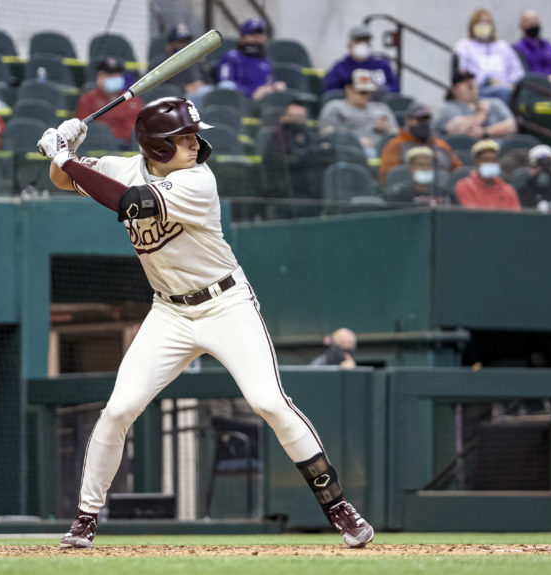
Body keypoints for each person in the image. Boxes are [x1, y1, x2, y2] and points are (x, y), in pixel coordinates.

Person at [37, 97, 374, 549]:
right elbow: (66, 180)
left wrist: (63, 157)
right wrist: (66, 152)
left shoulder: (197, 181)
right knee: (118, 409)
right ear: (156, 147)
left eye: (194, 136)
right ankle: (85, 518)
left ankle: (339, 508)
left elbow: (131, 203)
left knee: (269, 402)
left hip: (226, 305)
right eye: (184, 138)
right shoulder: (122, 168)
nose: (196, 144)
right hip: (169, 313)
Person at [261, 101, 333, 208]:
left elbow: (326, 154)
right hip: (286, 196)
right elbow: (289, 159)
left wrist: (306, 156)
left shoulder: (311, 137)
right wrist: (311, 155)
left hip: (314, 195)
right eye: (292, 116)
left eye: (299, 117)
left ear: (306, 120)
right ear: (284, 117)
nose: (295, 121)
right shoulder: (277, 138)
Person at [318, 68, 398, 157]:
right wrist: (356, 141)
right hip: (349, 154)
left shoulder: (382, 108)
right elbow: (327, 136)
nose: (366, 95)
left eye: (369, 91)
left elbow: (397, 135)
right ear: (348, 89)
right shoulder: (335, 107)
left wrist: (388, 129)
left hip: (383, 153)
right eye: (362, 91)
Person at [452, 8, 524, 106]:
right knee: (505, 92)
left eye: (487, 22)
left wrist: (507, 83)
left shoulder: (503, 46)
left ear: (492, 26)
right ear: (472, 26)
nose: (483, 26)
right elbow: (462, 71)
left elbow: (518, 71)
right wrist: (489, 81)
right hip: (479, 90)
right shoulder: (464, 45)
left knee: (512, 92)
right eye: (479, 23)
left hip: (506, 87)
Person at [379, 102, 462, 183]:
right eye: (419, 119)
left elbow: (458, 172)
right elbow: (387, 176)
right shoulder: (396, 144)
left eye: (426, 119)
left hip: (440, 191)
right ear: (408, 120)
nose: (423, 123)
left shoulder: (441, 145)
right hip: (408, 192)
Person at [76, 57, 143, 148]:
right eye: (109, 75)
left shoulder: (133, 99)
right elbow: (83, 131)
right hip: (100, 150)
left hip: (130, 150)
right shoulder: (88, 99)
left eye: (117, 74)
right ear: (99, 77)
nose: (115, 77)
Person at [216, 19, 286, 101]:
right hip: (239, 100)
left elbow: (269, 83)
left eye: (260, 34)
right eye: (252, 34)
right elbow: (225, 82)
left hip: (262, 101)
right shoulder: (231, 56)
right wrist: (252, 93)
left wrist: (274, 87)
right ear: (242, 38)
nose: (256, 38)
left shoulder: (266, 61)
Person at [434, 71, 517, 139]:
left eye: (472, 81)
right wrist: (481, 114)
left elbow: (512, 125)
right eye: (464, 83)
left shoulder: (494, 103)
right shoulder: (448, 107)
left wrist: (485, 131)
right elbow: (458, 128)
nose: (471, 86)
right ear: (454, 89)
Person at [322, 25, 401, 95]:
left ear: (370, 44)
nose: (362, 44)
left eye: (366, 41)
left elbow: (395, 89)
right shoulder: (340, 67)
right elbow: (330, 92)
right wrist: (351, 89)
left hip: (379, 106)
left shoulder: (382, 65)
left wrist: (380, 90)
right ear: (350, 45)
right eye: (358, 41)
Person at [151, 24, 212, 106]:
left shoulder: (196, 62)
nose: (184, 45)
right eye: (180, 41)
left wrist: (201, 84)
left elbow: (209, 82)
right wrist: (184, 88)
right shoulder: (160, 64)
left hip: (200, 96)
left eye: (186, 41)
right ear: (169, 45)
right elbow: (160, 90)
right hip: (177, 101)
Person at [454, 138, 521, 210]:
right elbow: (472, 216)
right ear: (477, 163)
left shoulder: (508, 190)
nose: (490, 163)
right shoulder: (464, 186)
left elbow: (516, 217)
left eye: (494, 160)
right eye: (486, 160)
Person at [385, 146, 452, 206]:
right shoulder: (398, 195)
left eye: (429, 164)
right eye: (421, 165)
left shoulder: (445, 195)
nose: (426, 168)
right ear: (411, 168)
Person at [516, 144, 551, 213]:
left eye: (548, 162)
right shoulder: (527, 182)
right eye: (540, 162)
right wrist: (532, 177)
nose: (544, 165)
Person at [513, 9, 551, 78]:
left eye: (534, 20)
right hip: (535, 85)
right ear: (521, 26)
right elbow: (525, 74)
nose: (532, 24)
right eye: (528, 21)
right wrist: (547, 79)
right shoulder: (518, 49)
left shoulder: (548, 45)